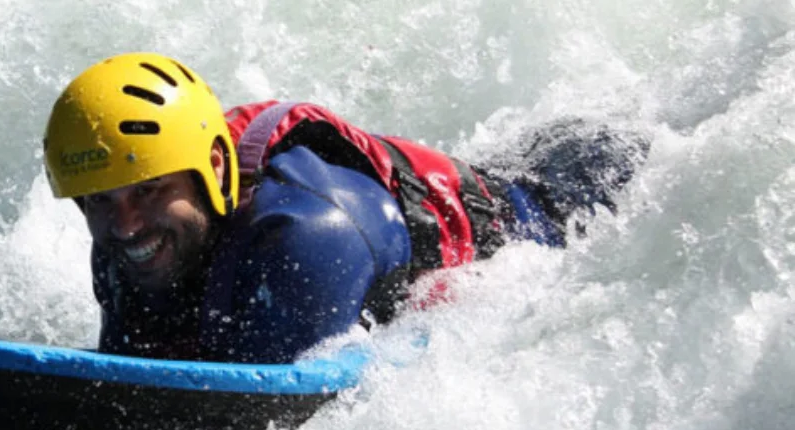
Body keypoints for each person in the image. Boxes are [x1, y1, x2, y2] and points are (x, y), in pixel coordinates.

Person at [43, 52, 647, 363]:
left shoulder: (308, 236)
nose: (124, 225)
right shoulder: (133, 239)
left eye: (148, 190)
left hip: (559, 204)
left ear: (214, 172)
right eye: (100, 201)